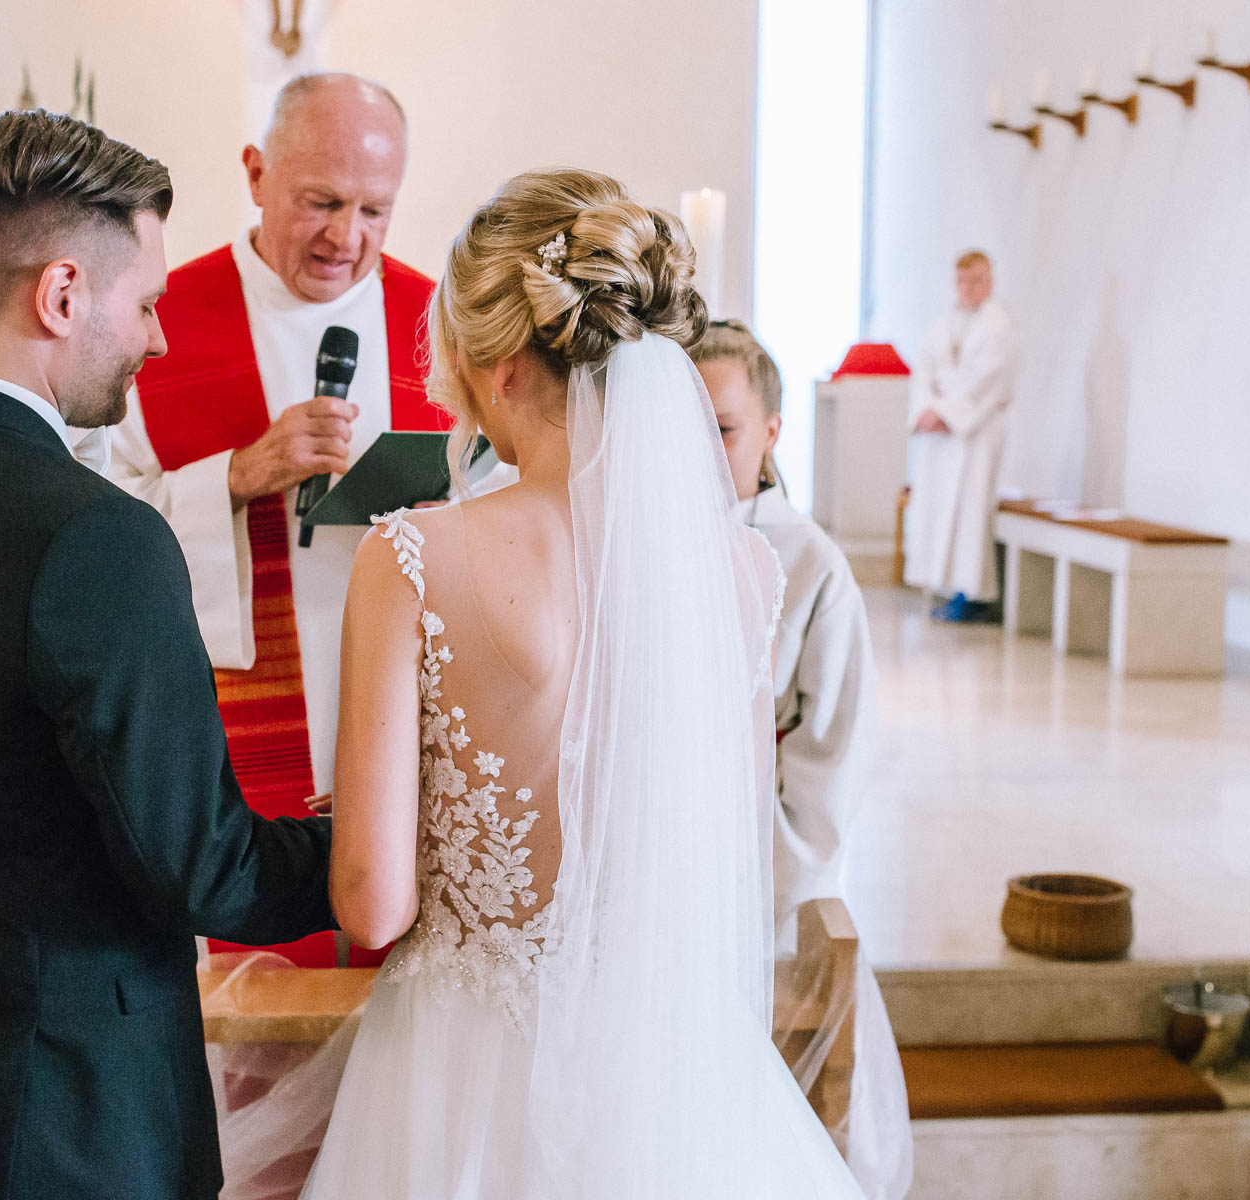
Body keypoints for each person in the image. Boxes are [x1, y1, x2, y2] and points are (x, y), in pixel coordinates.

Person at [0, 110, 336, 1200]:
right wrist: (378, 847)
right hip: (66, 1118)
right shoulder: (96, 535)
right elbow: (203, 867)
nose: (158, 338)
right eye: (144, 304)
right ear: (60, 295)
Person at [297, 169, 864, 1196]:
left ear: (501, 365)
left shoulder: (411, 556)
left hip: (461, 1071)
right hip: (669, 1072)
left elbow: (373, 906)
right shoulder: (739, 572)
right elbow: (728, 852)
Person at [110, 74, 457, 965]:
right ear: (257, 174)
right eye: (323, 202)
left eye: (376, 210)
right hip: (240, 717)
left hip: (413, 714)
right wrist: (236, 474)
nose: (349, 238)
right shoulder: (161, 324)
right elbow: (95, 531)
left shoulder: (443, 323)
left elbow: (505, 499)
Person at [692, 320, 913, 1200]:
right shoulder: (623, 544)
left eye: (726, 427)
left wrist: (753, 888)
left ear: (773, 430)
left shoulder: (812, 564)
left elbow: (828, 761)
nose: (706, 451)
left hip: (758, 888)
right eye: (688, 427)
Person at [904, 249, 1015, 621]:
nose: (970, 287)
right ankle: (946, 587)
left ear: (990, 281)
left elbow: (989, 380)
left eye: (978, 280)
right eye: (963, 280)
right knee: (938, 509)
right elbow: (923, 372)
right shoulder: (943, 324)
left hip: (974, 435)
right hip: (940, 437)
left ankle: (974, 595)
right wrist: (925, 412)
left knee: (969, 514)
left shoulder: (997, 325)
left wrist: (947, 413)